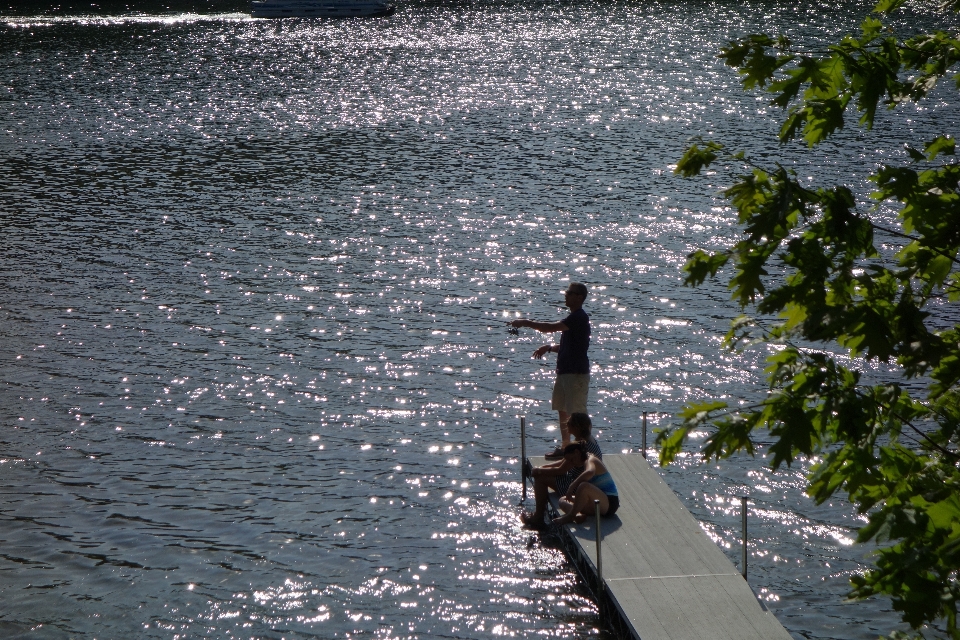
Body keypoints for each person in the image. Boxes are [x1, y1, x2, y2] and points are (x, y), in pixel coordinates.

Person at [510, 282, 590, 459]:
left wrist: (525, 322)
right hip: (564, 373)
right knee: (562, 409)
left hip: (576, 375)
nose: (566, 295)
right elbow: (569, 346)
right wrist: (549, 348)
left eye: (570, 293)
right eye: (566, 291)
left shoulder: (578, 317)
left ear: (579, 297)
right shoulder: (573, 319)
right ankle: (566, 447)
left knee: (576, 412)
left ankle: (583, 449)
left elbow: (549, 327)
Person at [520, 413, 601, 530]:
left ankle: (538, 517)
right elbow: (565, 461)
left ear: (577, 428)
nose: (568, 429)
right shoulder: (588, 440)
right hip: (583, 483)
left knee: (540, 478)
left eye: (570, 427)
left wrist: (539, 471)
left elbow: (561, 470)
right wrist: (543, 467)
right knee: (541, 473)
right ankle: (542, 515)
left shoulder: (582, 447)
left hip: (576, 486)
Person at [551, 441, 619, 526]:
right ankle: (578, 516)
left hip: (609, 503)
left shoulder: (590, 459)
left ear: (577, 452)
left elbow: (590, 472)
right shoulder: (583, 461)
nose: (572, 464)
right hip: (596, 503)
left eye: (572, 460)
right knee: (563, 500)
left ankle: (570, 516)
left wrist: (572, 486)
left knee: (584, 486)